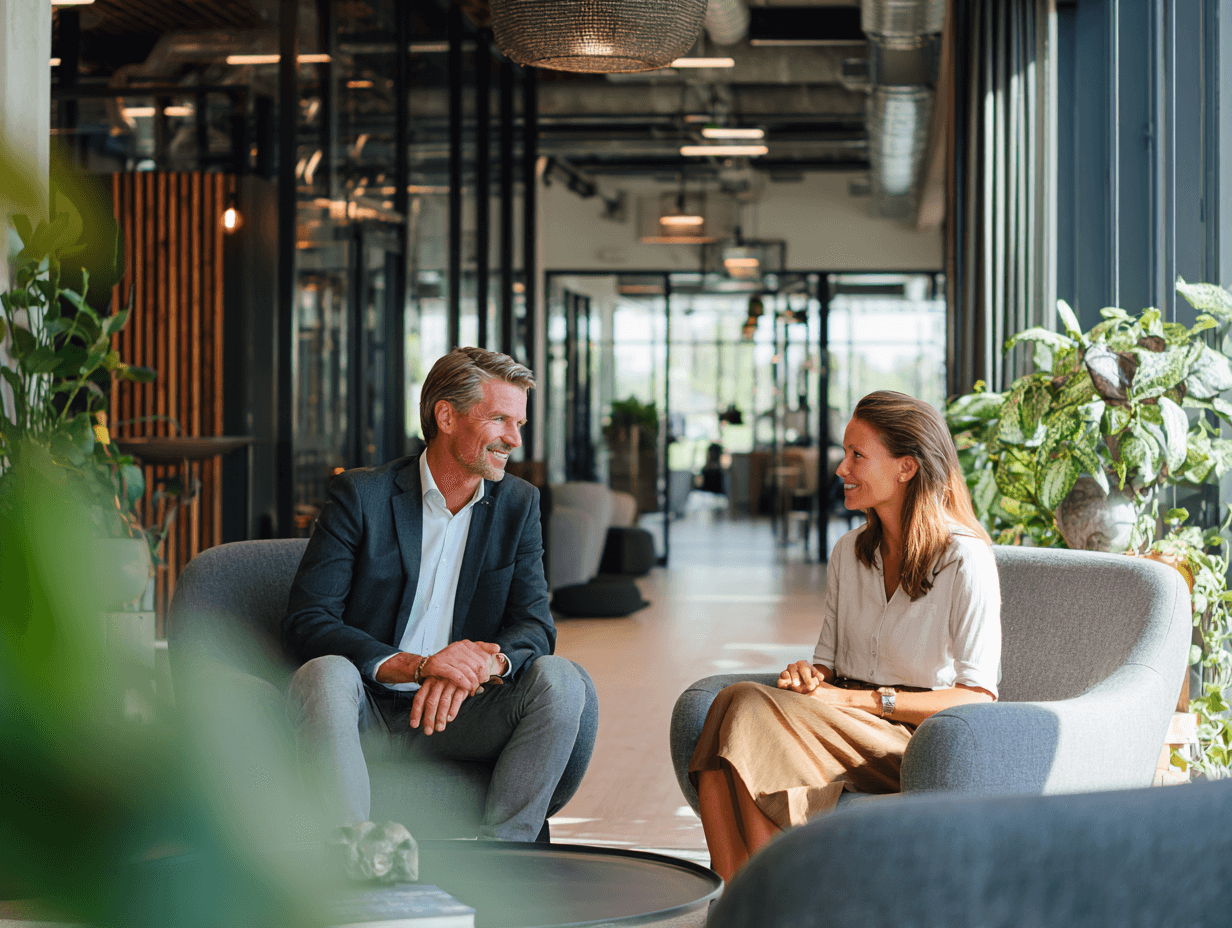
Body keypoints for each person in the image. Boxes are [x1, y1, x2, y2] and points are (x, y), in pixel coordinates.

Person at [282, 347, 593, 841]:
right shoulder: (361, 497)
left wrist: (476, 666)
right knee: (326, 672)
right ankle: (350, 858)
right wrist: (420, 665)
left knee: (562, 679)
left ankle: (506, 859)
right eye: (499, 419)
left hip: (464, 712)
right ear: (446, 416)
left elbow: (534, 624)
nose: (514, 439)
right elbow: (309, 620)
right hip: (370, 708)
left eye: (519, 423)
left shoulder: (519, 503)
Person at [690, 390, 1001, 881]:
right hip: (842, 725)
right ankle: (743, 903)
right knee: (731, 700)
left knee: (745, 706)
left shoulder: (965, 559)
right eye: (845, 453)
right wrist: (809, 677)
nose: (841, 468)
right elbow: (827, 664)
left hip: (915, 741)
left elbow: (978, 698)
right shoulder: (849, 551)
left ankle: (767, 904)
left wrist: (856, 703)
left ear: (906, 468)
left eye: (858, 455)